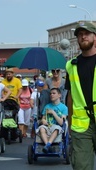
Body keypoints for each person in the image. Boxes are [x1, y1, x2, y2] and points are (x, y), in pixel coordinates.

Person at [65, 21, 96, 170]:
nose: (83, 37)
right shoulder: (71, 65)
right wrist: (70, 123)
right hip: (81, 126)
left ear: (94, 37)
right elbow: (70, 96)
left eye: (87, 34)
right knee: (81, 166)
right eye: (79, 35)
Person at [36, 88, 68, 153]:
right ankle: (47, 145)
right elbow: (43, 118)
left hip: (57, 126)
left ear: (59, 95)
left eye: (54, 93)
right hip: (47, 126)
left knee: (56, 129)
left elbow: (61, 123)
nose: (51, 95)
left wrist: (53, 113)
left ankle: (47, 145)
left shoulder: (64, 107)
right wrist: (43, 121)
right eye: (50, 93)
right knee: (41, 128)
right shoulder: (47, 106)